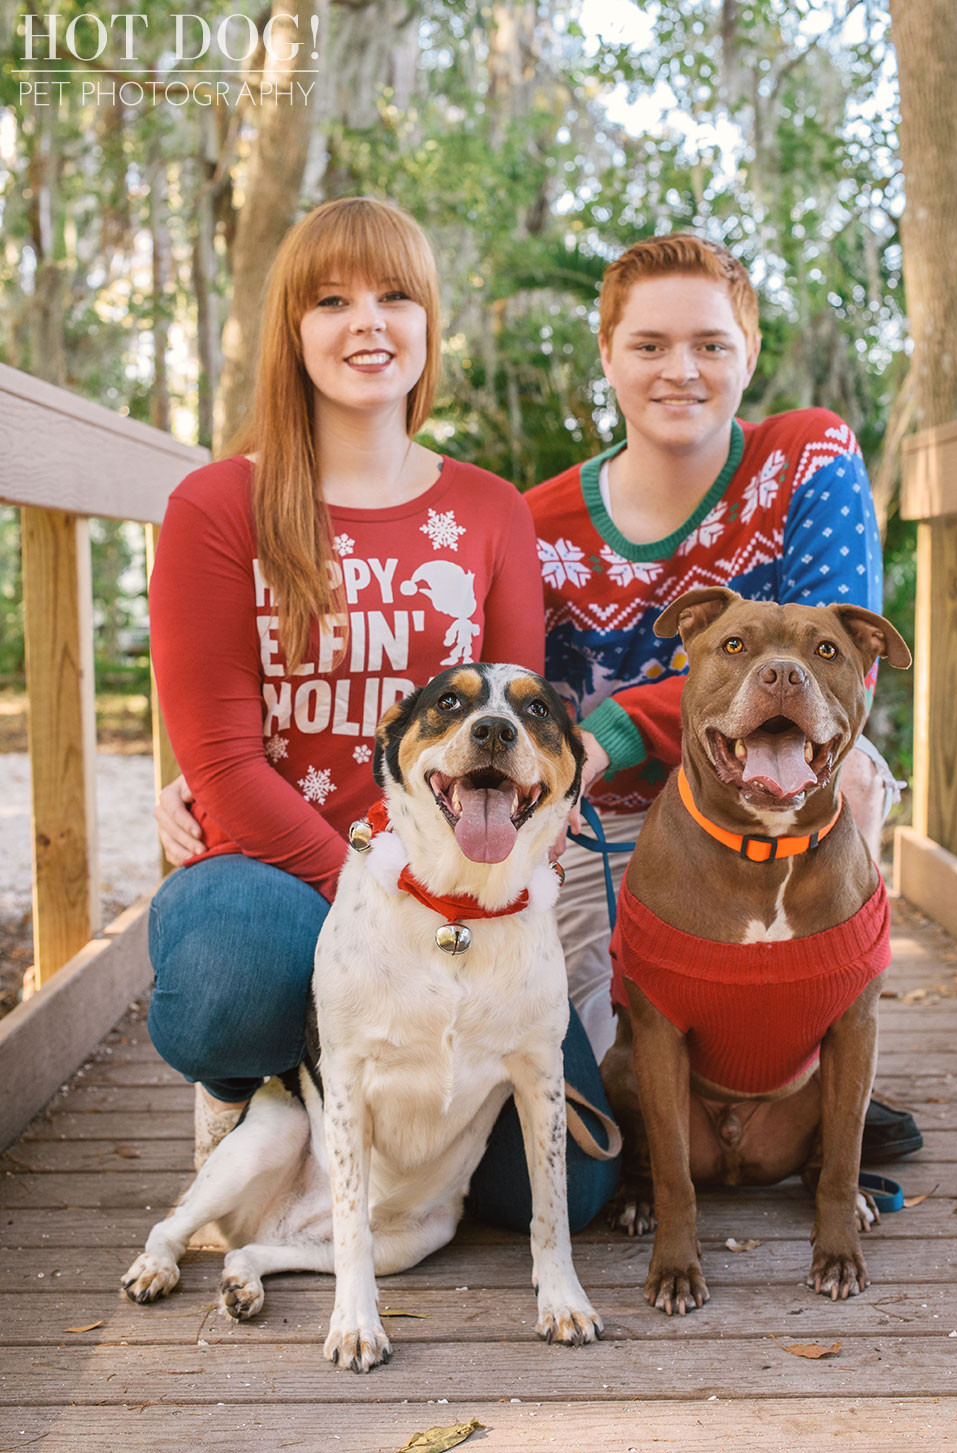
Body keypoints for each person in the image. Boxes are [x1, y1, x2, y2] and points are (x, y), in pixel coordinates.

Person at [147, 196, 618, 1223]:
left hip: (458, 890)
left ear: (427, 323)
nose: (368, 322)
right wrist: (372, 888)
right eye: (332, 299)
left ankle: (373, 1133)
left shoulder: (489, 510)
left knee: (572, 1188)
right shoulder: (219, 507)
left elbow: (523, 741)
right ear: (292, 330)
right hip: (272, 868)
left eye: (395, 295)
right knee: (222, 987)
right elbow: (223, 761)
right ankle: (266, 1095)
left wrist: (460, 884)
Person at [526, 233, 920, 1161]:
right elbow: (497, 693)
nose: (681, 371)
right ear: (609, 356)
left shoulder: (803, 455)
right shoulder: (535, 522)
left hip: (786, 791)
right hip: (606, 828)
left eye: (710, 344)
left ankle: (823, 1066)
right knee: (607, 1118)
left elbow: (839, 671)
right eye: (650, 345)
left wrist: (616, 726)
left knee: (853, 772)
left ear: (748, 355)